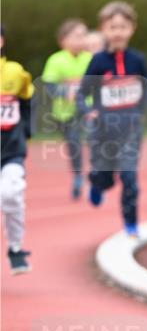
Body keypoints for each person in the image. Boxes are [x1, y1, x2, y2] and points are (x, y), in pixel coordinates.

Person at [77, 1, 147, 237]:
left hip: (130, 130)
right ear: (103, 29)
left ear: (132, 28)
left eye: (122, 27)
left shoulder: (137, 60)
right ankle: (97, 182)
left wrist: (143, 112)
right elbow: (82, 93)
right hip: (102, 130)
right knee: (105, 176)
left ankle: (131, 224)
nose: (118, 32)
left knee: (129, 177)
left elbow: (146, 89)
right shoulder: (98, 61)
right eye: (112, 27)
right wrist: (88, 111)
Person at [41, 19, 91, 199]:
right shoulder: (56, 60)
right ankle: (78, 176)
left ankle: (96, 174)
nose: (81, 40)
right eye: (76, 36)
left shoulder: (90, 58)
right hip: (65, 113)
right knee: (74, 143)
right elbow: (49, 85)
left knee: (96, 140)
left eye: (83, 35)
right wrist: (65, 92)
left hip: (89, 110)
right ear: (63, 40)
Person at [1, 25, 34, 274]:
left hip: (10, 150)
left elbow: (27, 99)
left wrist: (26, 130)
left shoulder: (15, 72)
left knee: (10, 194)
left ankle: (15, 248)